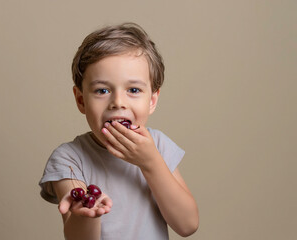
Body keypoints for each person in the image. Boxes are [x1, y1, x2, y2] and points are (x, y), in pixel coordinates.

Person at [39, 22, 199, 239]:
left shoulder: (158, 145)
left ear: (151, 100)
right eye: (102, 90)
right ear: (81, 100)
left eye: (133, 90)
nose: (117, 102)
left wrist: (150, 162)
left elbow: (187, 225)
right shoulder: (69, 159)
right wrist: (87, 213)